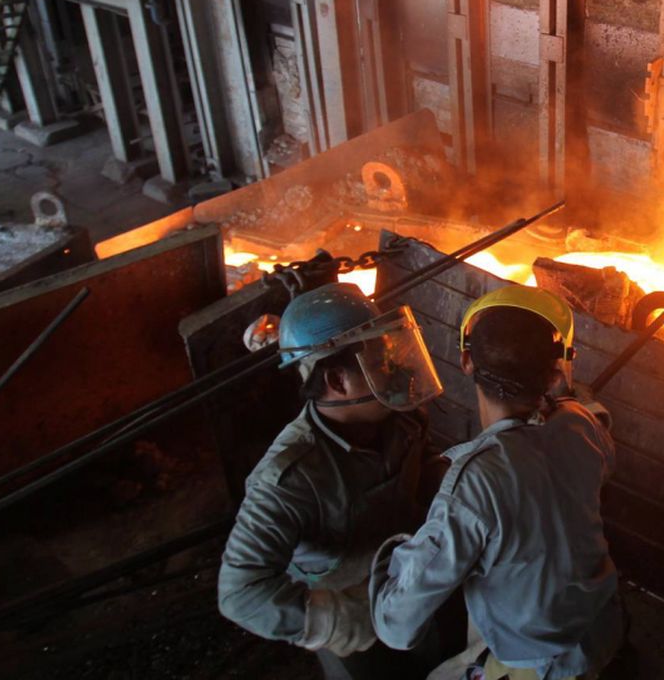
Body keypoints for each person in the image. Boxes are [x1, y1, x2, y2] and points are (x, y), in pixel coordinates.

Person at [370, 286, 623, 680]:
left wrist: (391, 554)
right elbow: (599, 455)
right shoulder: (581, 423)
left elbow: (396, 626)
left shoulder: (473, 483)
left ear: (466, 360)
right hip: (601, 628)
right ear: (556, 373)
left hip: (542, 661)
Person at [218, 282, 450, 679]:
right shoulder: (290, 478)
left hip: (411, 582)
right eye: (379, 365)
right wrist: (341, 621)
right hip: (355, 610)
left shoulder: (403, 420)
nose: (396, 373)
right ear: (338, 382)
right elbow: (240, 592)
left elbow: (424, 474)